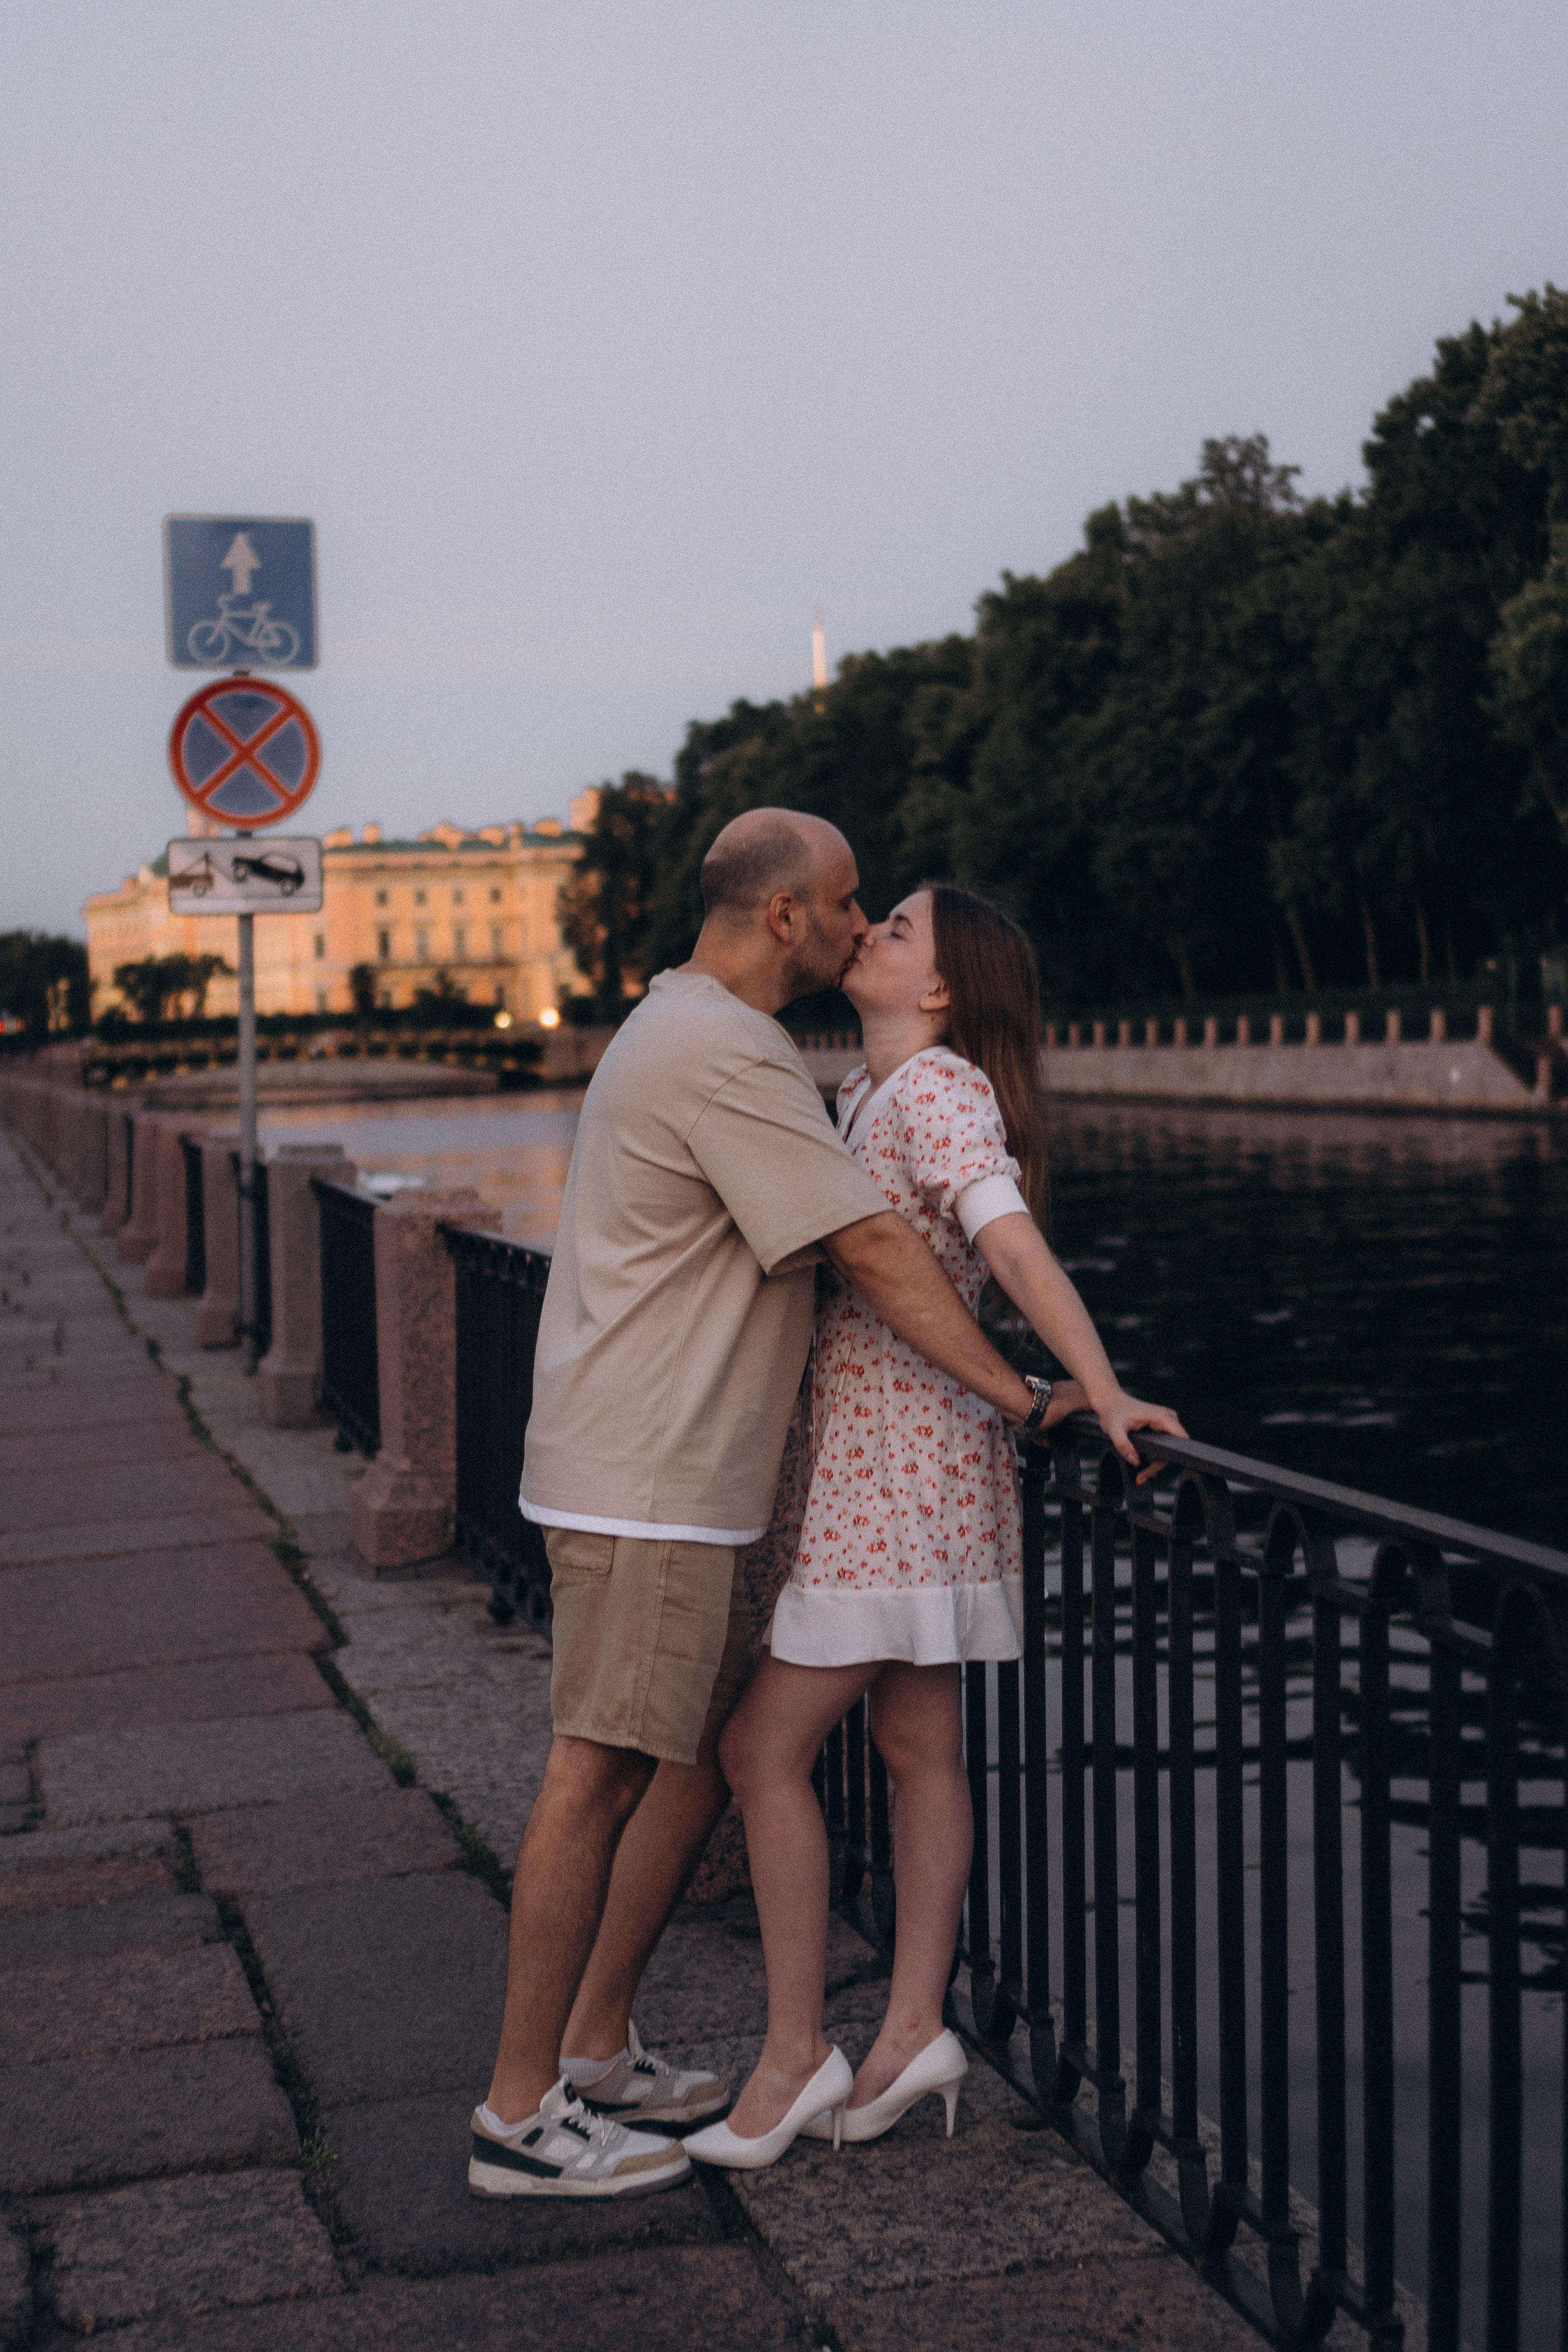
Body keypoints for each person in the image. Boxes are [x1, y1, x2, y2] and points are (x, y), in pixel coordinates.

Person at [469, 815, 1071, 2200]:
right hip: (651, 1478)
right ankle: (517, 2115)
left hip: (689, 1476)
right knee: (599, 1767)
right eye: (852, 904)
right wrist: (1022, 1395)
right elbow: (866, 1242)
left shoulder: (685, 1026)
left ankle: (598, 2045)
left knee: (683, 1760)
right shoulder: (729, 1053)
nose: (864, 927)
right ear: (787, 917)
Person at [684, 884, 1184, 2171]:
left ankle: (795, 2055)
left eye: (895, 929)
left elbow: (1008, 1248)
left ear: (945, 989)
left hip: (896, 1477)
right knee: (916, 1747)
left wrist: (1103, 1384)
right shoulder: (862, 1092)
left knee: (757, 1749)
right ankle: (912, 2030)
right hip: (893, 1466)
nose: (867, 934)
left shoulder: (938, 1091)